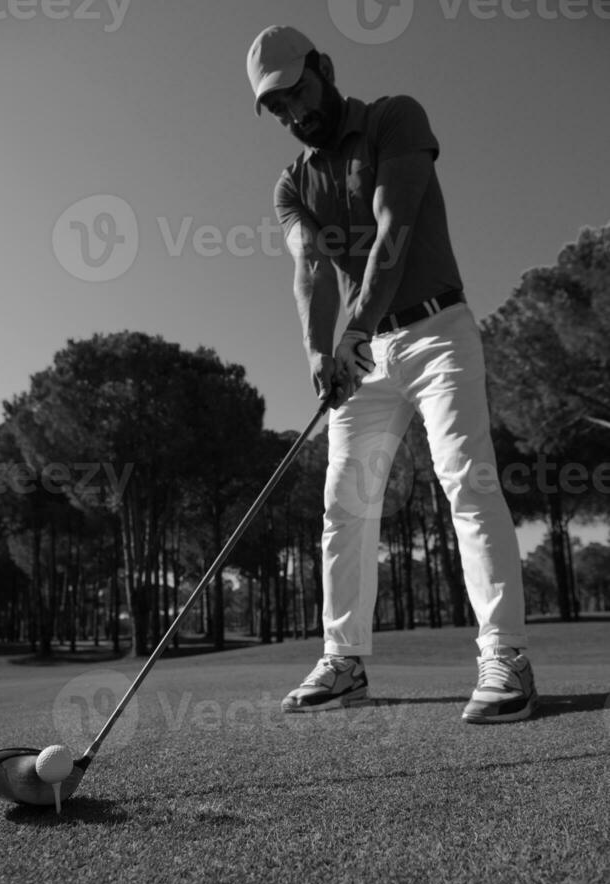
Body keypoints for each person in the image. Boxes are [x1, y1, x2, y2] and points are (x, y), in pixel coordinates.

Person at [246, 25, 538, 723]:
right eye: (277, 108)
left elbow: (392, 233)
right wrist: (319, 353)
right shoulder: (292, 182)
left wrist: (353, 330)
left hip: (437, 331)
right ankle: (343, 662)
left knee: (466, 481)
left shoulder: (394, 118)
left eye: (298, 92)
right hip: (363, 356)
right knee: (343, 506)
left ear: (325, 68)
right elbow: (311, 267)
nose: (294, 114)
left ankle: (507, 658)